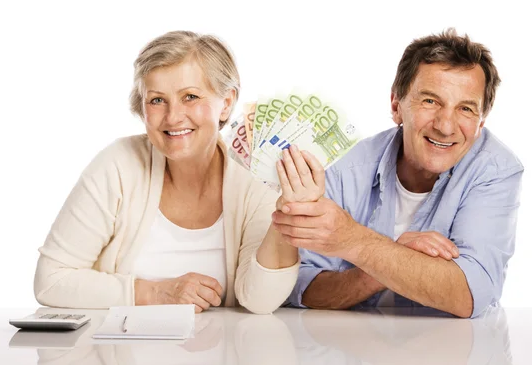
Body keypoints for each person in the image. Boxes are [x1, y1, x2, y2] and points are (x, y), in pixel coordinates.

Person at [34, 31, 324, 314]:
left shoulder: (256, 178)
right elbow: (51, 281)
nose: (173, 117)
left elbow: (261, 301)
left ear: (226, 103)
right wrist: (156, 293)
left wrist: (290, 212)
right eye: (157, 100)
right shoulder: (118, 166)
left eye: (190, 97)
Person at [275, 29, 523, 318]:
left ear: (481, 123)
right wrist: (382, 264)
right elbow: (302, 290)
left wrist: (354, 240)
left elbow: (469, 294)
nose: (445, 125)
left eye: (466, 109)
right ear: (396, 106)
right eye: (430, 101)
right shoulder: (345, 168)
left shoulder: (496, 170)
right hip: (353, 349)